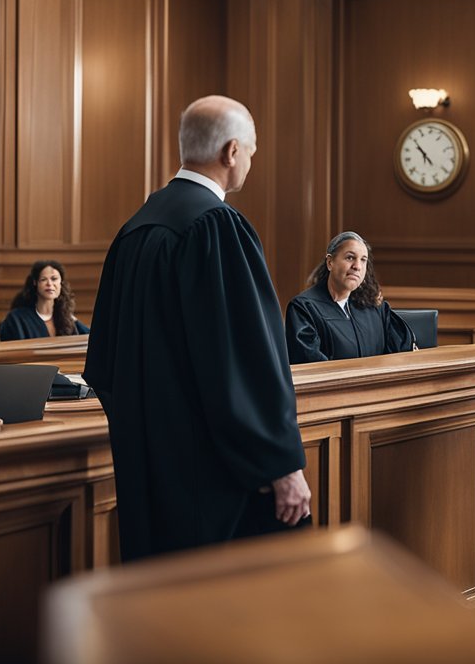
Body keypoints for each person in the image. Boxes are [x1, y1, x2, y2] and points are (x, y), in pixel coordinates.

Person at [84, 95, 311, 562]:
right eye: (251, 149)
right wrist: (282, 464)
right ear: (231, 152)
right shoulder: (216, 227)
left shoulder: (135, 229)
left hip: (146, 469)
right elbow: (246, 360)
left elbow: (102, 362)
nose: (250, 160)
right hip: (213, 477)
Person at [285, 231, 416, 364]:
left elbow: (404, 354)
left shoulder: (375, 307)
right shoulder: (304, 308)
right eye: (350, 258)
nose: (357, 266)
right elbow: (309, 363)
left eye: (363, 260)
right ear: (330, 262)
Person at [0, 260, 90, 341]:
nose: (49, 284)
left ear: (61, 283)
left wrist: (73, 320)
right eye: (43, 279)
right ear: (35, 283)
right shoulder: (16, 318)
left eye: (54, 279)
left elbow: (90, 339)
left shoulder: (66, 318)